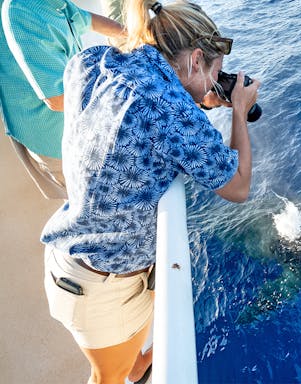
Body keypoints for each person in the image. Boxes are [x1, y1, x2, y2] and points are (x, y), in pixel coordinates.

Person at [40, 0, 259, 382]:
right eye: (215, 72)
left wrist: (196, 96)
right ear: (194, 60)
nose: (215, 84)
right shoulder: (169, 108)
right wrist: (238, 110)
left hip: (71, 258)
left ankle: (139, 369)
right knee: (107, 378)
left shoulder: (92, 62)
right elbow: (238, 186)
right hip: (100, 290)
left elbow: (145, 115)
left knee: (130, 365)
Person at [0, 0, 124, 199]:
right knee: (102, 205)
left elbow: (87, 20)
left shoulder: (51, 3)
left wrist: (135, 37)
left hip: (78, 124)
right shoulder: (20, 10)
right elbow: (57, 99)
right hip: (55, 139)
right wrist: (124, 93)